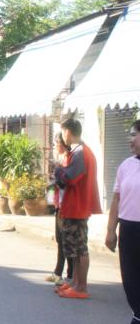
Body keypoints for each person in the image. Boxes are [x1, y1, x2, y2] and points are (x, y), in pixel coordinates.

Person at [54, 118, 101, 299]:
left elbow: (70, 178)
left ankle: (81, 287)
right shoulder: (80, 151)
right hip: (75, 205)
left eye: (62, 131)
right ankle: (75, 283)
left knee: (79, 248)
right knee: (74, 248)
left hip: (77, 206)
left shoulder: (81, 152)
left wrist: (58, 170)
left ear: (67, 132)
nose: (62, 136)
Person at [105, 119, 140, 324]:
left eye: (134, 135)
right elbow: (117, 199)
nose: (130, 140)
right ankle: (138, 320)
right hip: (128, 228)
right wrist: (111, 230)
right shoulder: (126, 165)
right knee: (130, 279)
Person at [47, 133, 73, 286]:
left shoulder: (69, 159)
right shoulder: (58, 159)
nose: (55, 146)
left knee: (66, 240)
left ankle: (70, 275)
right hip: (58, 203)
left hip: (67, 204)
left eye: (56, 143)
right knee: (59, 239)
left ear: (63, 143)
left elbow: (66, 182)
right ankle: (58, 272)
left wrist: (56, 181)